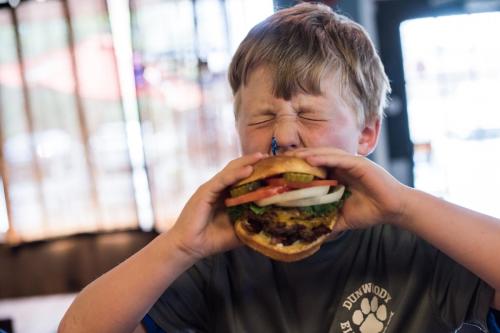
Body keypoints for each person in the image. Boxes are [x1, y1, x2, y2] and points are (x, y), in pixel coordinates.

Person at [59, 3, 500, 332]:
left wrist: (405, 206)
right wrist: (179, 247)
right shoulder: (215, 259)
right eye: (262, 117)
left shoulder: (416, 238)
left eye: (309, 115)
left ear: (366, 134)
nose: (284, 136)